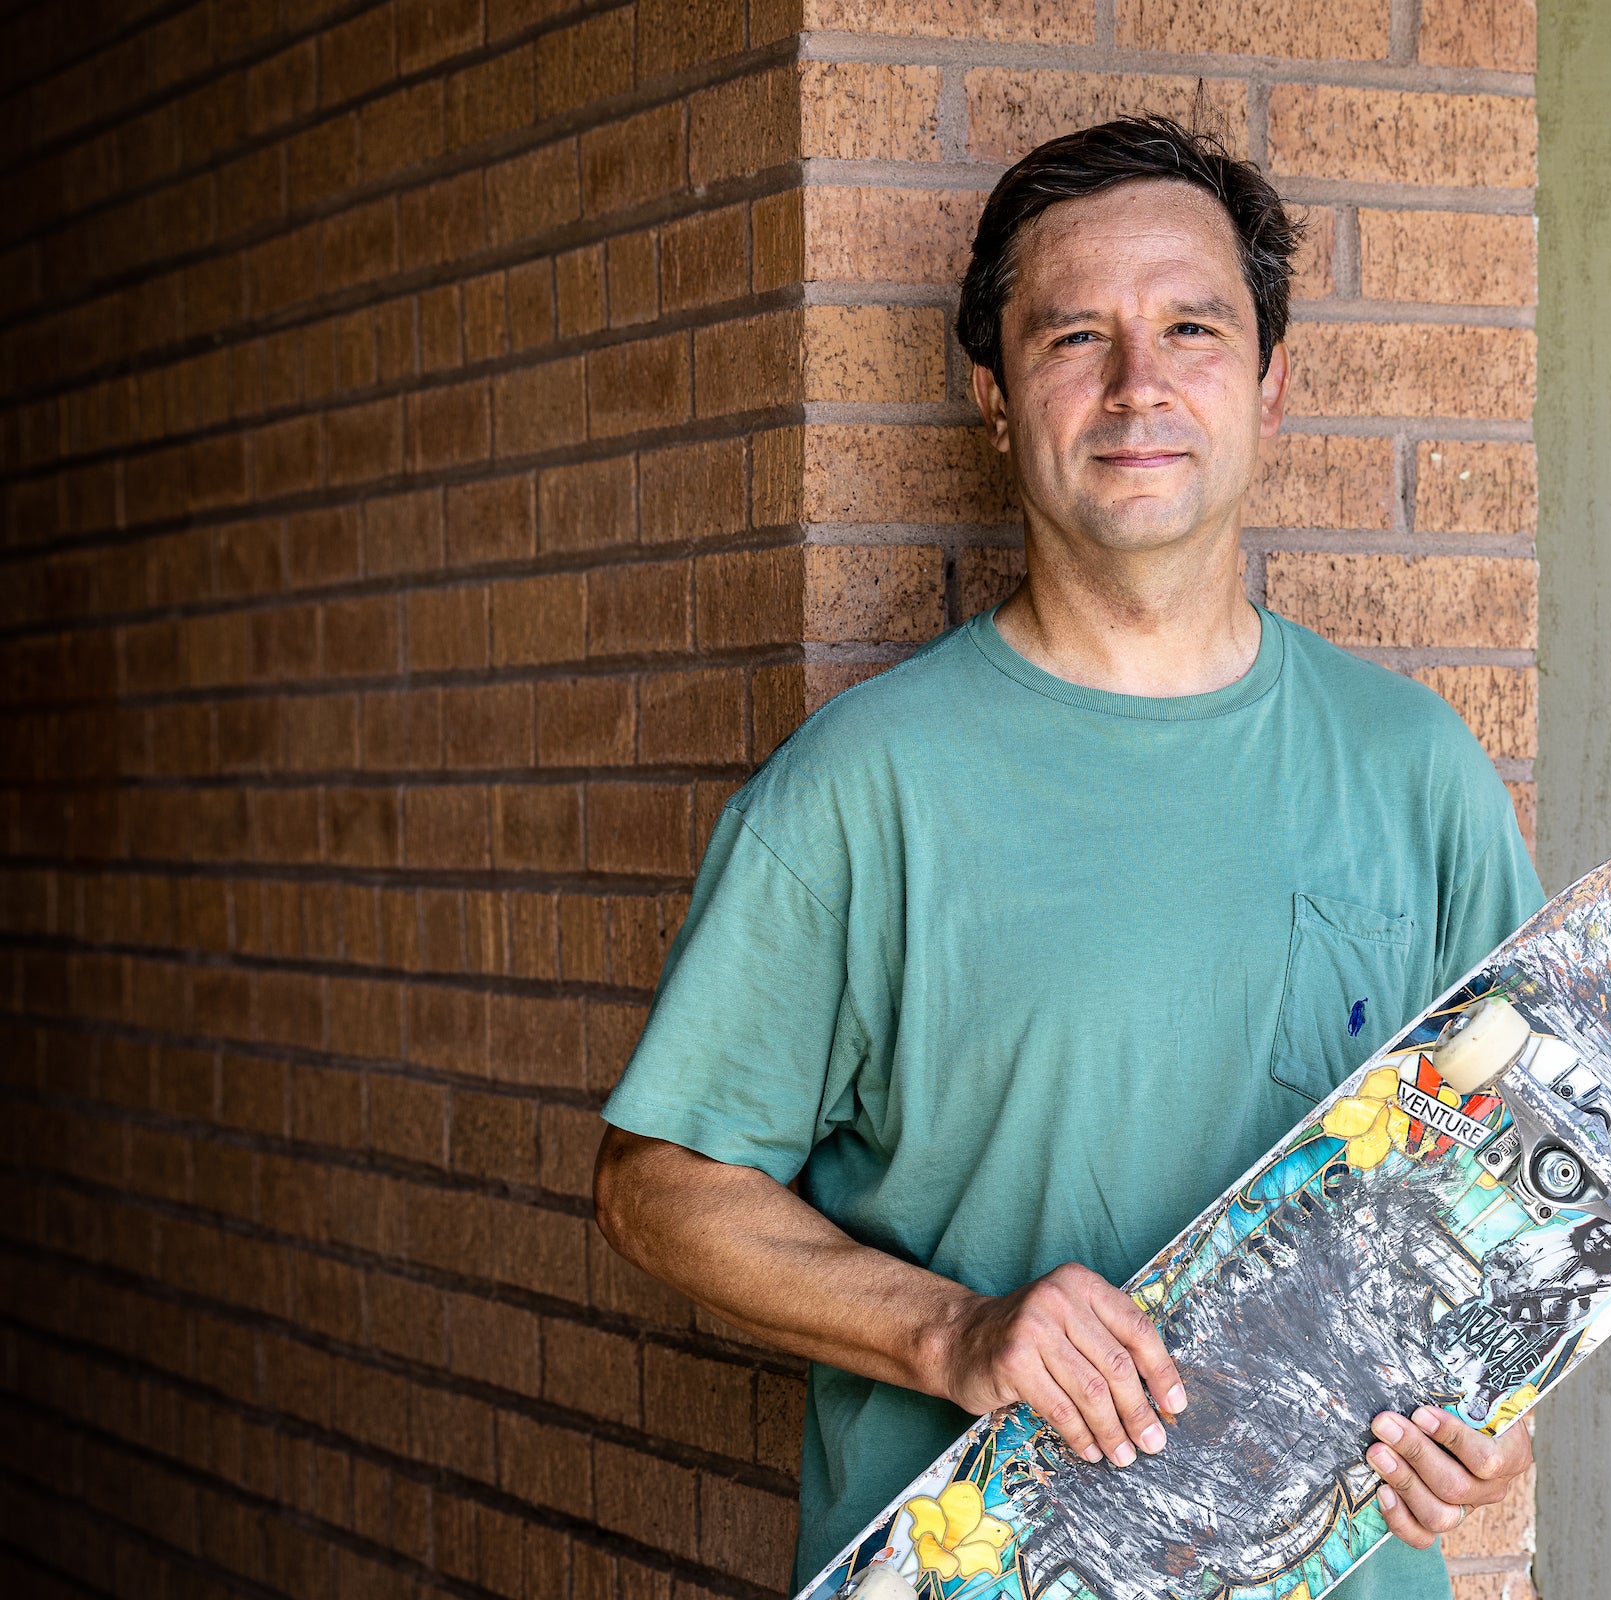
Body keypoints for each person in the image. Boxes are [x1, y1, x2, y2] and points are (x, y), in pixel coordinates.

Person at [592, 116, 1544, 1600]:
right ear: (993, 394)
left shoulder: (1412, 771)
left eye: (1190, 329)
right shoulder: (866, 788)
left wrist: (1488, 1417)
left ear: (1274, 383)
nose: (1136, 386)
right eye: (1072, 337)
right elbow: (656, 1187)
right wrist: (951, 1333)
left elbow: (1515, 1201)